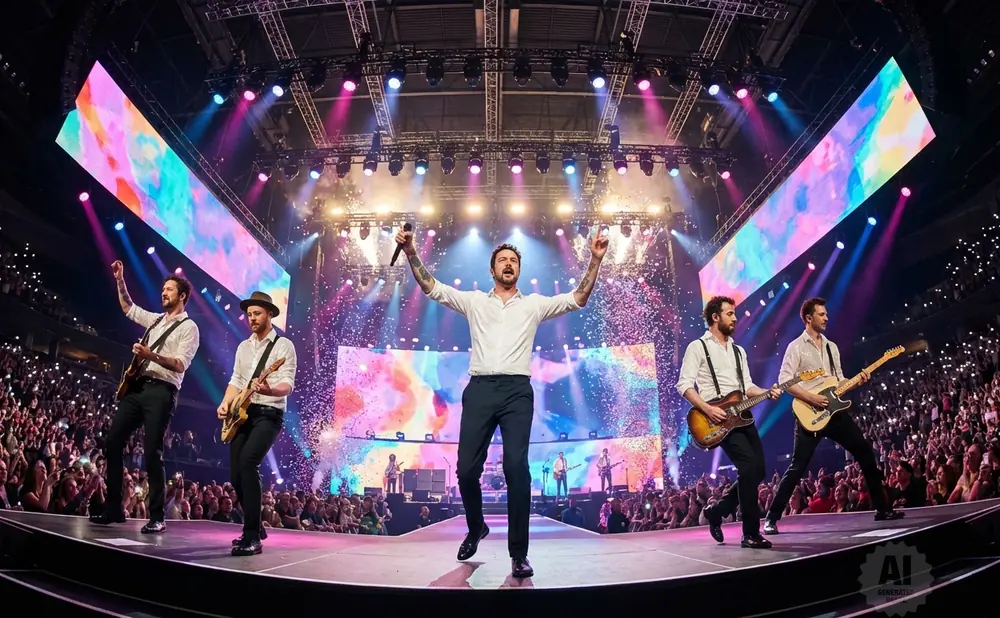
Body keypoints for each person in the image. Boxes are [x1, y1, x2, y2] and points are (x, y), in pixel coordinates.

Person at [396, 228, 608, 578]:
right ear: (492, 269)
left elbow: (578, 299)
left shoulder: (534, 304)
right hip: (480, 388)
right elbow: (432, 287)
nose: (508, 264)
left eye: (514, 261)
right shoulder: (475, 302)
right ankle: (476, 526)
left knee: (516, 468)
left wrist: (595, 260)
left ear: (519, 270)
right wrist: (410, 252)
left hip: (516, 391)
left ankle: (518, 554)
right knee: (466, 470)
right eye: (502, 260)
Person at [763, 298, 903, 534]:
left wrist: (857, 380)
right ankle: (771, 518)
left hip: (835, 412)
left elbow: (839, 382)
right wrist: (812, 398)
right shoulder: (795, 347)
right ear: (809, 318)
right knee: (797, 467)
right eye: (821, 314)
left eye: (826, 314)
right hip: (809, 414)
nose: (826, 318)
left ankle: (882, 508)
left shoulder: (832, 347)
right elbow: (785, 381)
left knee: (864, 451)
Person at [91, 261, 199, 533]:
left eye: (169, 290)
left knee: (153, 451)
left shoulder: (189, 328)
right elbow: (129, 308)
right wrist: (120, 279)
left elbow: (180, 364)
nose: (163, 293)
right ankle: (114, 508)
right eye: (163, 289)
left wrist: (150, 355)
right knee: (113, 441)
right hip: (138, 387)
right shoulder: (156, 320)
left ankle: (157, 516)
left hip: (162, 390)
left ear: (182, 296)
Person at [676, 296, 781, 548]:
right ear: (715, 317)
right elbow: (684, 385)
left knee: (758, 471)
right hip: (717, 419)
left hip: (742, 416)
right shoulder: (698, 347)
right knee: (748, 467)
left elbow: (747, 387)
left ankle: (717, 511)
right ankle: (750, 533)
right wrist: (708, 409)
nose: (735, 318)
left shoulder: (738, 351)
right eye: (730, 313)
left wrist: (767, 392)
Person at [217, 291, 297, 556]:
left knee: (248, 463)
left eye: (257, 313)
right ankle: (256, 525)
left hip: (269, 413)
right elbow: (236, 380)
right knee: (235, 475)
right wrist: (225, 403)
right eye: (249, 314)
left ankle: (252, 536)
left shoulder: (283, 346)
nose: (252, 318)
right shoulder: (243, 347)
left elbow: (287, 384)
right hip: (242, 413)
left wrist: (269, 390)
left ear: (269, 314)